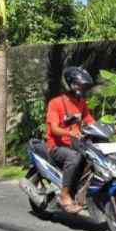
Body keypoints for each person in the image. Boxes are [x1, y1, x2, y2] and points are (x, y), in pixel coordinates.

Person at [45, 66, 95, 213]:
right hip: (56, 147)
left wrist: (109, 127)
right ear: (71, 84)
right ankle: (65, 195)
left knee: (93, 157)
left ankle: (83, 193)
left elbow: (90, 120)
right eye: (80, 85)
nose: (83, 89)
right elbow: (54, 129)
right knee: (74, 157)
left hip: (76, 144)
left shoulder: (81, 102)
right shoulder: (56, 103)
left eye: (85, 86)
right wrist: (70, 133)